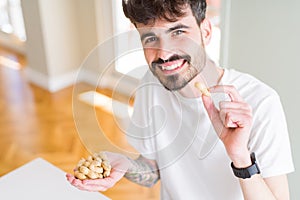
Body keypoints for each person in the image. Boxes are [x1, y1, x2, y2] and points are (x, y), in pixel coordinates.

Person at [67, 0, 294, 199]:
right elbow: (154, 169)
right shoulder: (151, 84)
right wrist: (125, 166)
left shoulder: (260, 102)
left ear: (205, 31)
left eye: (178, 32)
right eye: (150, 37)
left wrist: (241, 158)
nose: (164, 53)